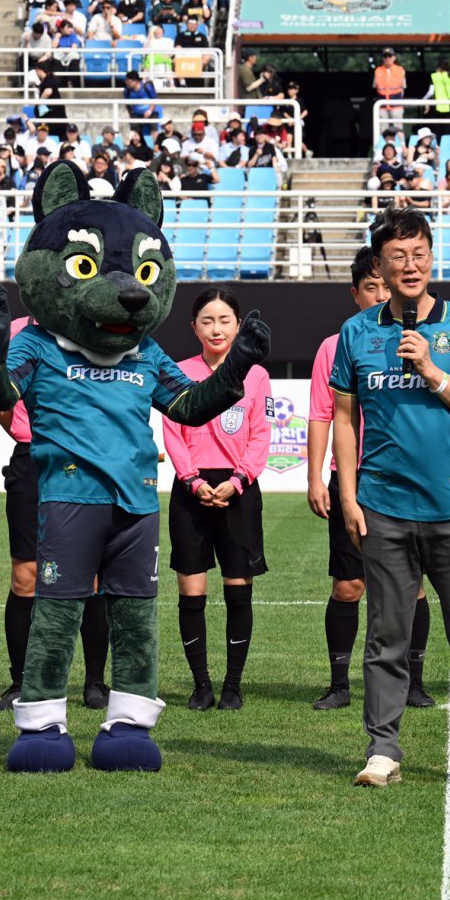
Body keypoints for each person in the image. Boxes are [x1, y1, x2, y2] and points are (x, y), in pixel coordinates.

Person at [332, 208, 450, 788]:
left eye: (419, 253)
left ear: (432, 258)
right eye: (397, 256)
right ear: (379, 264)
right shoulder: (356, 334)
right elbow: (345, 419)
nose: (410, 264)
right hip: (381, 506)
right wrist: (349, 497)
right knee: (386, 635)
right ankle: (383, 749)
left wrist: (430, 369)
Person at [309, 248, 436, 712]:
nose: (381, 294)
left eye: (386, 285)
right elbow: (325, 415)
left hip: (405, 476)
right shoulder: (335, 345)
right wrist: (316, 478)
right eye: (371, 287)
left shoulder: (422, 338)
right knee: (349, 585)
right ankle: (339, 683)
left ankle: (414, 681)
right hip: (353, 479)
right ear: (355, 293)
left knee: (413, 584)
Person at [0, 314, 111, 712]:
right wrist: (22, 433)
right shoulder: (14, 331)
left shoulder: (91, 325)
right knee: (25, 576)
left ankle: (95, 681)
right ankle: (20, 682)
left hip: (86, 459)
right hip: (32, 459)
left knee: (91, 576)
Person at [162, 288, 272, 712]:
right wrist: (191, 479)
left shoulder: (256, 375)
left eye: (225, 320)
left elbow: (261, 432)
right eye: (207, 321)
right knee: (191, 589)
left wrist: (240, 478)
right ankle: (201, 685)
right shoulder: (177, 371)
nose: (216, 328)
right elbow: (174, 430)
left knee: (237, 588)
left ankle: (232, 685)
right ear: (194, 328)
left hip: (238, 490)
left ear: (238, 326)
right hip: (193, 491)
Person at [373, 48, 407, 122]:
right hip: (382, 106)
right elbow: (374, 88)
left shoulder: (400, 70)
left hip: (397, 105)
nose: (388, 58)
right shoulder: (377, 71)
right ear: (383, 58)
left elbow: (403, 88)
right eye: (385, 56)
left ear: (394, 57)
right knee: (382, 131)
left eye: (390, 56)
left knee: (398, 130)